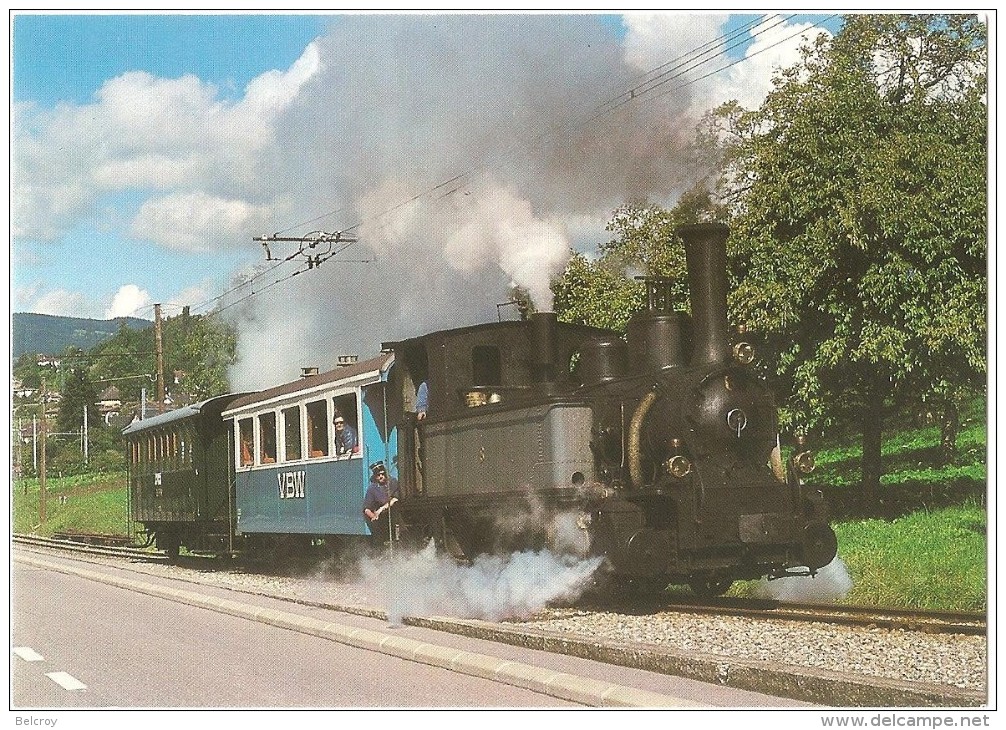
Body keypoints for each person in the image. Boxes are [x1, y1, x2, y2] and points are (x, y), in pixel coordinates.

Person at [363, 462, 399, 547]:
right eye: (378, 475)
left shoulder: (393, 482)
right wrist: (373, 516)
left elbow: (395, 499)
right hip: (380, 520)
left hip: (393, 514)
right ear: (375, 477)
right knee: (380, 539)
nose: (381, 476)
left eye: (382, 474)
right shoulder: (372, 489)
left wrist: (381, 509)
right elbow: (366, 508)